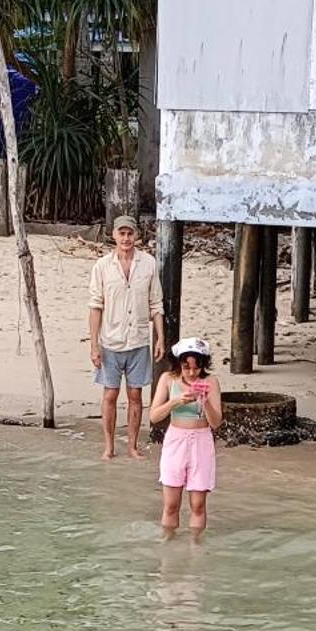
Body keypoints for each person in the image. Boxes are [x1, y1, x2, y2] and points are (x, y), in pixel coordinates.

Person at [88, 216, 165, 459]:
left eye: (130, 234)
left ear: (137, 236)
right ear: (114, 235)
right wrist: (94, 345)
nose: (126, 238)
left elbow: (156, 304)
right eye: (121, 234)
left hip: (139, 340)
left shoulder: (149, 264)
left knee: (135, 395)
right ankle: (109, 446)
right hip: (110, 341)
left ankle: (132, 446)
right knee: (110, 394)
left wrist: (160, 338)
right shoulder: (102, 266)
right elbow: (95, 307)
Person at [149, 337, 222, 534]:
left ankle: (196, 548)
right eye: (186, 367)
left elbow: (216, 422)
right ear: (178, 364)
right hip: (175, 440)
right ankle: (168, 547)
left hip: (201, 440)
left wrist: (205, 402)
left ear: (203, 366)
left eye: (196, 368)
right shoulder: (167, 379)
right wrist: (176, 402)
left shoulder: (211, 382)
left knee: (198, 505)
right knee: (171, 504)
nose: (191, 373)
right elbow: (154, 416)